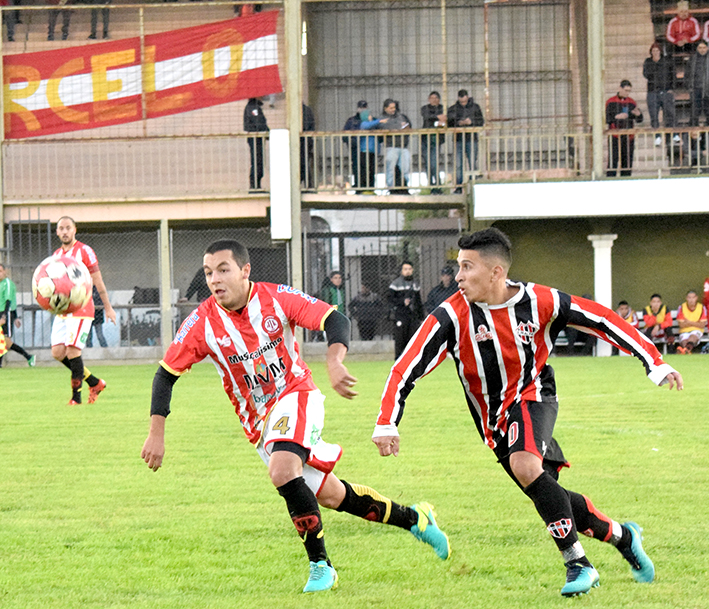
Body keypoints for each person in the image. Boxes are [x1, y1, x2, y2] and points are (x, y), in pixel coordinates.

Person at [373, 227, 683, 597]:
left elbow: (602, 318)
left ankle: (578, 564)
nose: (457, 277)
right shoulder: (451, 316)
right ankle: (624, 537)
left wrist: (655, 362)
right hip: (492, 423)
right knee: (551, 495)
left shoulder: (540, 301)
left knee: (526, 467)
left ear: (496, 272)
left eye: (467, 267)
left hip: (534, 396)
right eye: (458, 267)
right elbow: (405, 367)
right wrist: (387, 421)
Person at [140, 240, 450, 594]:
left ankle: (322, 567)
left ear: (245, 271)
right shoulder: (202, 322)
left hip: (297, 395)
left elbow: (334, 318)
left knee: (283, 470)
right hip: (260, 424)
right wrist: (156, 434)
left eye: (223, 269)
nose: (215, 279)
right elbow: (165, 374)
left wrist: (334, 360)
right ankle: (416, 519)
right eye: (209, 273)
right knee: (333, 496)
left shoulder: (275, 298)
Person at [52, 216, 115, 404]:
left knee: (72, 351)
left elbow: (98, 280)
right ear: (57, 232)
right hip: (63, 310)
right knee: (57, 352)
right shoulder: (56, 256)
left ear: (74, 230)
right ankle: (95, 382)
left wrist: (108, 307)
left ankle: (76, 399)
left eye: (68, 228)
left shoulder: (85, 251)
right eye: (61, 228)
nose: (64, 231)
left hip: (81, 307)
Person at [447, 89, 484, 190]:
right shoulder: (453, 108)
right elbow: (449, 122)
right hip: (458, 139)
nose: (463, 102)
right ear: (458, 98)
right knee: (458, 164)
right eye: (461, 100)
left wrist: (471, 122)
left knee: (472, 162)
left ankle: (473, 185)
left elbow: (481, 121)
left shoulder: (475, 107)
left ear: (467, 97)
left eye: (464, 100)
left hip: (471, 138)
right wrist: (459, 123)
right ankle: (459, 186)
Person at [605, 80, 643, 177]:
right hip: (615, 135)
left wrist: (638, 115)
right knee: (613, 161)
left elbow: (639, 119)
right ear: (619, 88)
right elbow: (608, 119)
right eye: (626, 90)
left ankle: (626, 180)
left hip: (628, 136)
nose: (627, 93)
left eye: (629, 91)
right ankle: (610, 180)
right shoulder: (611, 102)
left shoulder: (631, 102)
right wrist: (617, 117)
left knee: (627, 162)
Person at [0, 262, 35, 367]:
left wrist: (5, 316)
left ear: (5, 272)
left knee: (7, 342)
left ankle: (29, 357)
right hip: (2, 313)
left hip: (6, 313)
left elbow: (9, 301)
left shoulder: (8, 283)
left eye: (0, 271)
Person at [643, 42, 678, 146]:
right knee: (654, 115)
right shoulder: (648, 61)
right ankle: (657, 136)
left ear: (660, 51)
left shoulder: (667, 61)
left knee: (670, 114)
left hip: (665, 90)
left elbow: (673, 74)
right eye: (653, 51)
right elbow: (646, 74)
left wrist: (672, 88)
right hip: (652, 91)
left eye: (657, 51)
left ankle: (674, 134)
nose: (655, 53)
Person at [387, 261, 423, 359]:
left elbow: (418, 301)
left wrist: (421, 317)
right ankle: (399, 361)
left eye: (409, 269)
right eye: (405, 269)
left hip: (413, 316)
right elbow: (390, 299)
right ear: (401, 271)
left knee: (413, 339)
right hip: (401, 316)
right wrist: (402, 302)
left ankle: (412, 360)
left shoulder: (415, 284)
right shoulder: (395, 284)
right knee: (400, 340)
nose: (407, 271)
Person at [375, 99, 412, 194]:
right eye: (390, 108)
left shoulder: (402, 117)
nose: (393, 110)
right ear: (385, 108)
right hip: (390, 146)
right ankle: (391, 187)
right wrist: (399, 128)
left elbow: (409, 127)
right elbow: (384, 128)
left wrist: (404, 128)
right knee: (390, 167)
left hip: (403, 146)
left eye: (394, 107)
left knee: (405, 167)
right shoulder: (382, 118)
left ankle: (404, 186)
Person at [420, 91, 446, 193]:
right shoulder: (425, 108)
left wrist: (436, 119)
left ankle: (438, 185)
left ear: (439, 100)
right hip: (425, 139)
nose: (433, 100)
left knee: (434, 163)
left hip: (436, 139)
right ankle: (432, 185)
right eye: (431, 98)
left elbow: (444, 119)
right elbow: (426, 116)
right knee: (427, 163)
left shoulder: (442, 108)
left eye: (435, 98)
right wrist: (437, 117)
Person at [244, 97, 269, 190]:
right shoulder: (252, 107)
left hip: (257, 137)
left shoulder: (254, 106)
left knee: (258, 161)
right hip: (255, 138)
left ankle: (256, 185)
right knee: (257, 161)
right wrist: (267, 131)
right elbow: (258, 122)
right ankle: (255, 185)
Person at [687, 40, 709, 126]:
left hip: (708, 90)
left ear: (707, 48)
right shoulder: (692, 59)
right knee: (694, 114)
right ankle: (693, 137)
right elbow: (687, 74)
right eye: (700, 48)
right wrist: (689, 86)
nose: (702, 50)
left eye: (704, 47)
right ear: (697, 49)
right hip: (696, 89)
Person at [300, 103, 315, 189]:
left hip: (303, 141)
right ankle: (308, 184)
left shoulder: (303, 110)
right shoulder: (306, 110)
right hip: (306, 141)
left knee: (303, 163)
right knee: (304, 163)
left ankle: (307, 184)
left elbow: (304, 126)